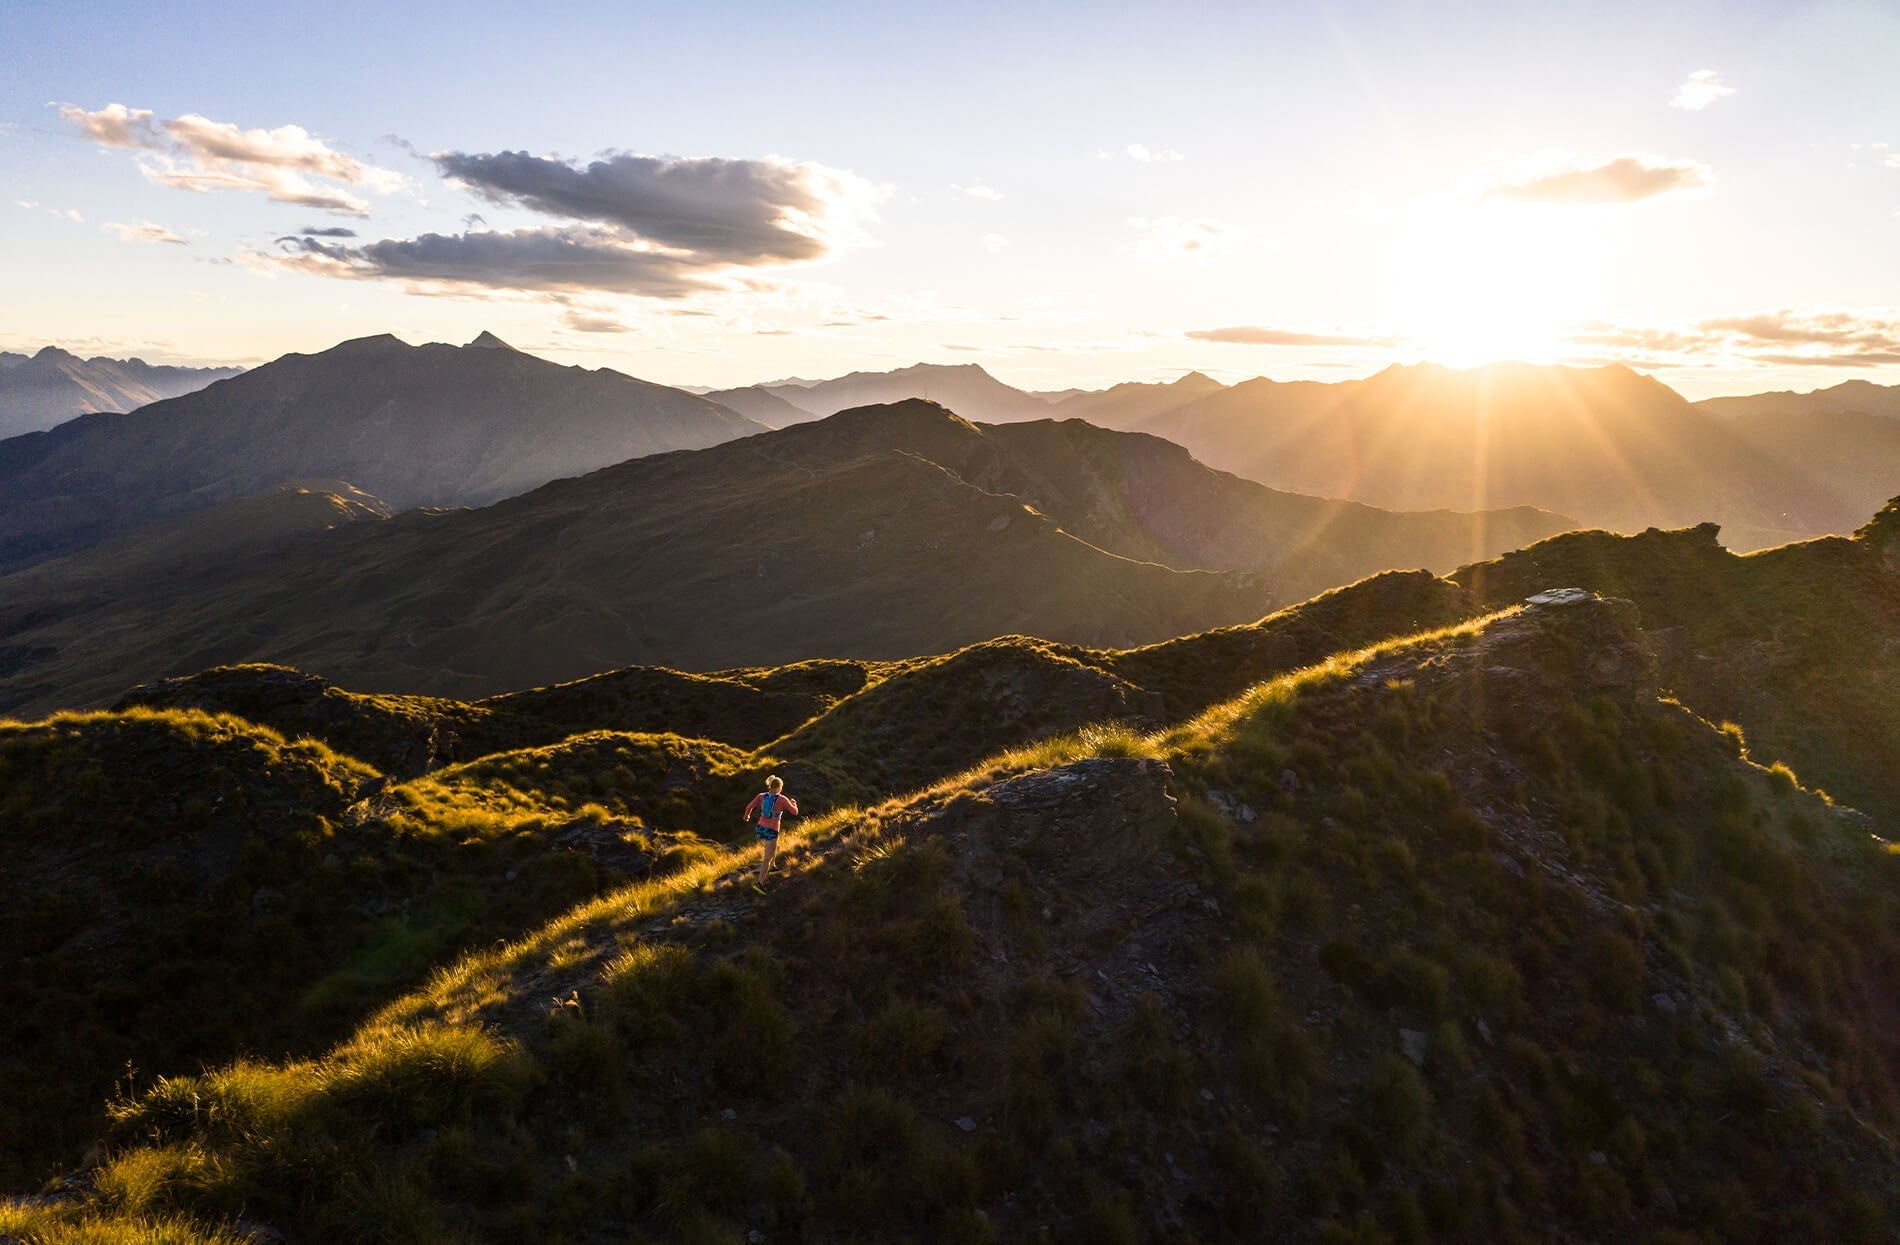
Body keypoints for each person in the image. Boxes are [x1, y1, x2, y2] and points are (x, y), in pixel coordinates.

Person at [743, 775, 798, 893]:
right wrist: (794, 803)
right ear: (779, 787)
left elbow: (749, 807)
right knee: (767, 858)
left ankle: (773, 867)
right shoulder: (782, 799)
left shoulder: (761, 796)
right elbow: (794, 812)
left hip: (761, 827)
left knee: (773, 846)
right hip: (772, 829)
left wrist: (746, 816)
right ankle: (759, 883)